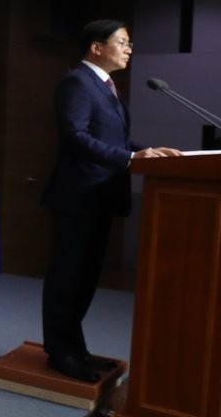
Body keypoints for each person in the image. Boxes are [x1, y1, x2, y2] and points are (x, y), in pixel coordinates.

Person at [41, 19, 181, 382]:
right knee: (67, 278)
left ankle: (76, 348)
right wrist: (130, 158)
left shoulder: (105, 85)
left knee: (86, 279)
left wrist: (146, 151)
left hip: (100, 197)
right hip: (78, 197)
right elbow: (75, 137)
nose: (129, 49)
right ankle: (60, 352)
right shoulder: (76, 82)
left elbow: (112, 140)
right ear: (97, 47)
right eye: (122, 42)